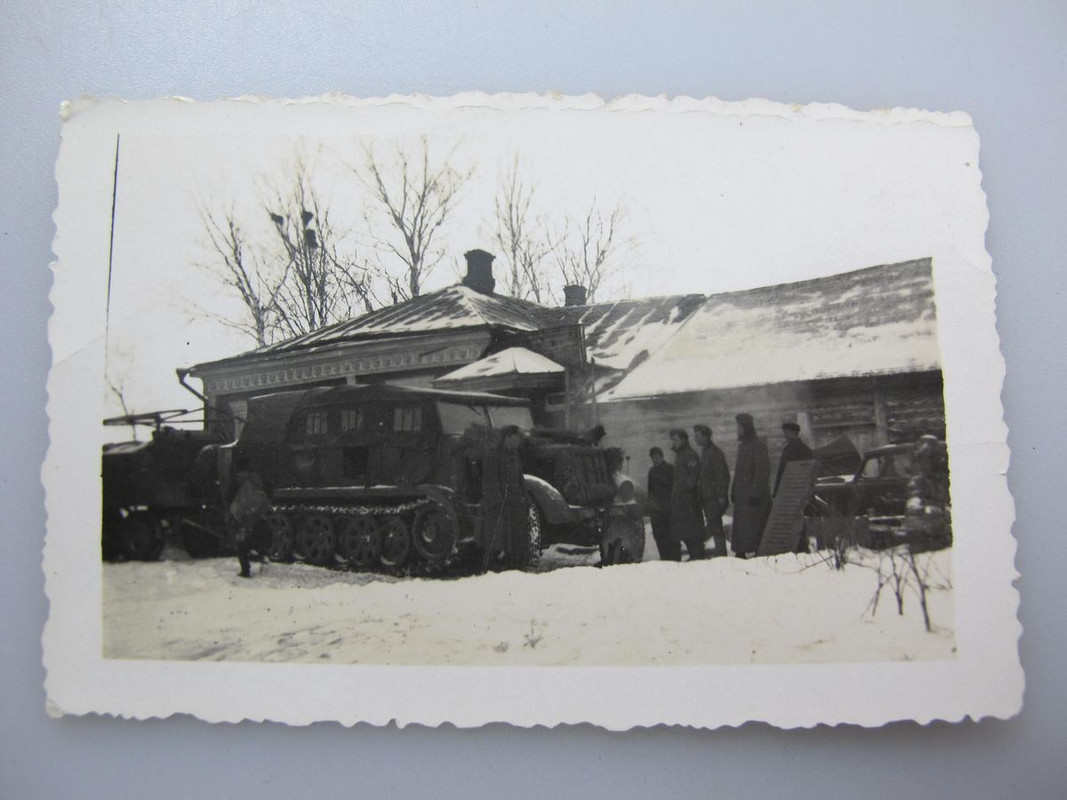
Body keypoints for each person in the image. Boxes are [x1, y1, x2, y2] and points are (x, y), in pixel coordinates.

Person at [481, 424, 532, 570]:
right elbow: (491, 482)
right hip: (500, 506)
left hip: (516, 504)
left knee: (517, 541)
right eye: (515, 438)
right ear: (507, 438)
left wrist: (526, 500)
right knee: (496, 541)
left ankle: (513, 570)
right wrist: (498, 504)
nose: (518, 442)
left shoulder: (515, 456)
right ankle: (489, 571)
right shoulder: (493, 456)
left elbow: (520, 480)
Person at [730, 413, 772, 558]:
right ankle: (740, 552)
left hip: (754, 498)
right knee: (742, 528)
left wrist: (756, 493)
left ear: (746, 428)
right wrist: (734, 489)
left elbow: (762, 471)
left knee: (755, 527)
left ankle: (759, 554)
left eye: (739, 427)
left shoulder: (758, 445)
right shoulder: (742, 447)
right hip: (742, 496)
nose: (737, 430)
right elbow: (739, 471)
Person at [693, 424, 730, 558]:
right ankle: (720, 553)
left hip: (714, 497)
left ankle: (721, 554)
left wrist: (721, 495)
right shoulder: (705, 452)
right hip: (707, 497)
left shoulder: (715, 452)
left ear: (706, 436)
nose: (695, 439)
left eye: (697, 436)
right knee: (714, 525)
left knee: (715, 526)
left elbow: (722, 475)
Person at [668, 428, 706, 561]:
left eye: (676, 439)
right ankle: (695, 557)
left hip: (689, 502)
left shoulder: (690, 455)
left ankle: (698, 558)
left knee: (693, 535)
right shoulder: (679, 455)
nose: (674, 442)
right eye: (672, 440)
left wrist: (685, 490)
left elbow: (694, 476)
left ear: (683, 440)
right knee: (685, 533)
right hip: (680, 502)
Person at [646, 446, 677, 561]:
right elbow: (650, 491)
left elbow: (674, 488)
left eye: (657, 457)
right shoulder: (652, 472)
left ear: (661, 456)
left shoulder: (670, 469)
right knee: (660, 537)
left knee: (672, 537)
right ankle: (664, 560)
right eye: (652, 458)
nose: (655, 460)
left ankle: (675, 560)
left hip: (669, 509)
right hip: (657, 511)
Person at [774, 421, 814, 496]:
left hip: (796, 490)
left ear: (794, 433)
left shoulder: (802, 450)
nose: (784, 435)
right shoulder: (789, 449)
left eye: (786, 432)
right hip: (789, 489)